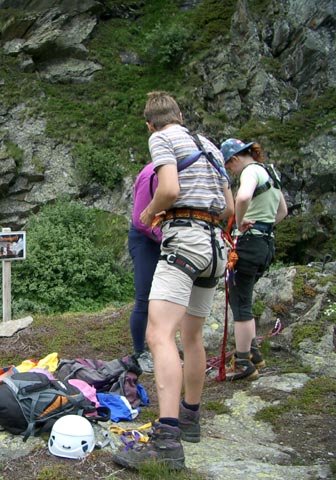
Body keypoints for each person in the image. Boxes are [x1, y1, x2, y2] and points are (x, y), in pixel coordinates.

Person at [113, 91, 234, 471]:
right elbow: (230, 207)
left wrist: (149, 215)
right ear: (180, 115)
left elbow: (169, 189)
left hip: (186, 241)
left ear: (150, 123)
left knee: (159, 334)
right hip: (216, 247)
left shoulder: (160, 138)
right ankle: (189, 419)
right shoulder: (211, 146)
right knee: (192, 336)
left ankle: (166, 441)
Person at [221, 138, 288, 380]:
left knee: (240, 304)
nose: (230, 171)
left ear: (235, 159)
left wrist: (240, 223)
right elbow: (283, 211)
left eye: (229, 166)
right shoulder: (270, 173)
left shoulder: (250, 172)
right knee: (244, 300)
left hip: (247, 245)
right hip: (266, 245)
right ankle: (253, 353)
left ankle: (242, 362)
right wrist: (263, 226)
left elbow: (242, 198)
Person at [127, 162, 162, 374]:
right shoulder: (151, 174)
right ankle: (140, 353)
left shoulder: (179, 170)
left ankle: (161, 346)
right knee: (144, 297)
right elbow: (141, 220)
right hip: (145, 239)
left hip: (163, 236)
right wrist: (164, 239)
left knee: (165, 297)